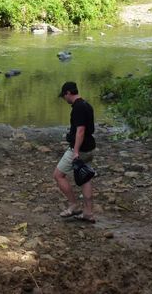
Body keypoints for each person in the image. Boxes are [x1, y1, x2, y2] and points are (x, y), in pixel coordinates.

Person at [54, 81, 97, 223]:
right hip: (89, 147)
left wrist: (76, 152)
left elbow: (81, 130)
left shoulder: (78, 107)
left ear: (68, 93)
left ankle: (73, 205)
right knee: (85, 178)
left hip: (79, 149)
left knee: (58, 175)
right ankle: (88, 213)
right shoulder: (87, 105)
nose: (64, 99)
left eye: (64, 96)